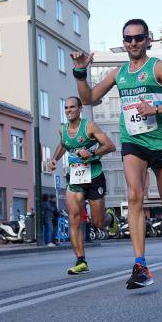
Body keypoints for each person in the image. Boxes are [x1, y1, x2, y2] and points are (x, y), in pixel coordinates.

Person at [72, 18, 162, 290]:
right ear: (123, 42)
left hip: (161, 142)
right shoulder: (119, 73)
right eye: (128, 38)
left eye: (139, 38)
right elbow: (89, 98)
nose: (133, 43)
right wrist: (80, 72)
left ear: (148, 40)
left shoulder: (157, 68)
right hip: (133, 141)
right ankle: (140, 264)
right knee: (134, 195)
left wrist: (156, 110)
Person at [48, 97, 115, 275]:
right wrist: (54, 159)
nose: (69, 110)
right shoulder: (62, 129)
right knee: (74, 218)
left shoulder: (89, 127)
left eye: (72, 107)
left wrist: (91, 152)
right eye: (66, 108)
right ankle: (81, 260)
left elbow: (110, 146)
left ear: (79, 109)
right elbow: (64, 145)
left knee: (98, 222)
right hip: (75, 178)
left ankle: (110, 218)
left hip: (94, 176)